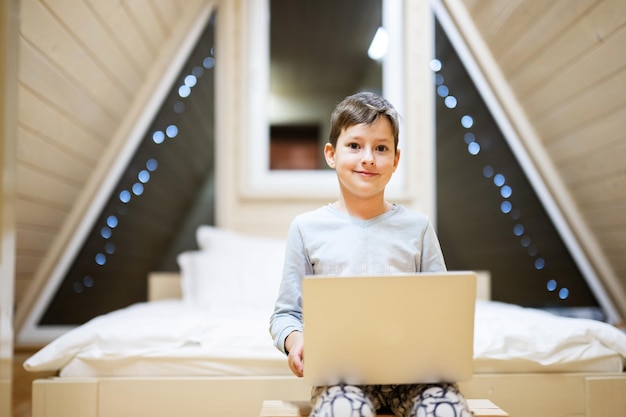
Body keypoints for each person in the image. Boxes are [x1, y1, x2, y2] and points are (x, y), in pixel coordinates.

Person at [269, 91, 472, 417]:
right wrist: (296, 342)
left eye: (381, 148)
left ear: (395, 159)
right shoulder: (306, 228)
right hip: (340, 374)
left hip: (417, 374)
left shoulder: (417, 228)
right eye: (355, 146)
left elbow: (443, 311)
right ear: (331, 154)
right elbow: (285, 316)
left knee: (447, 410)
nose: (368, 158)